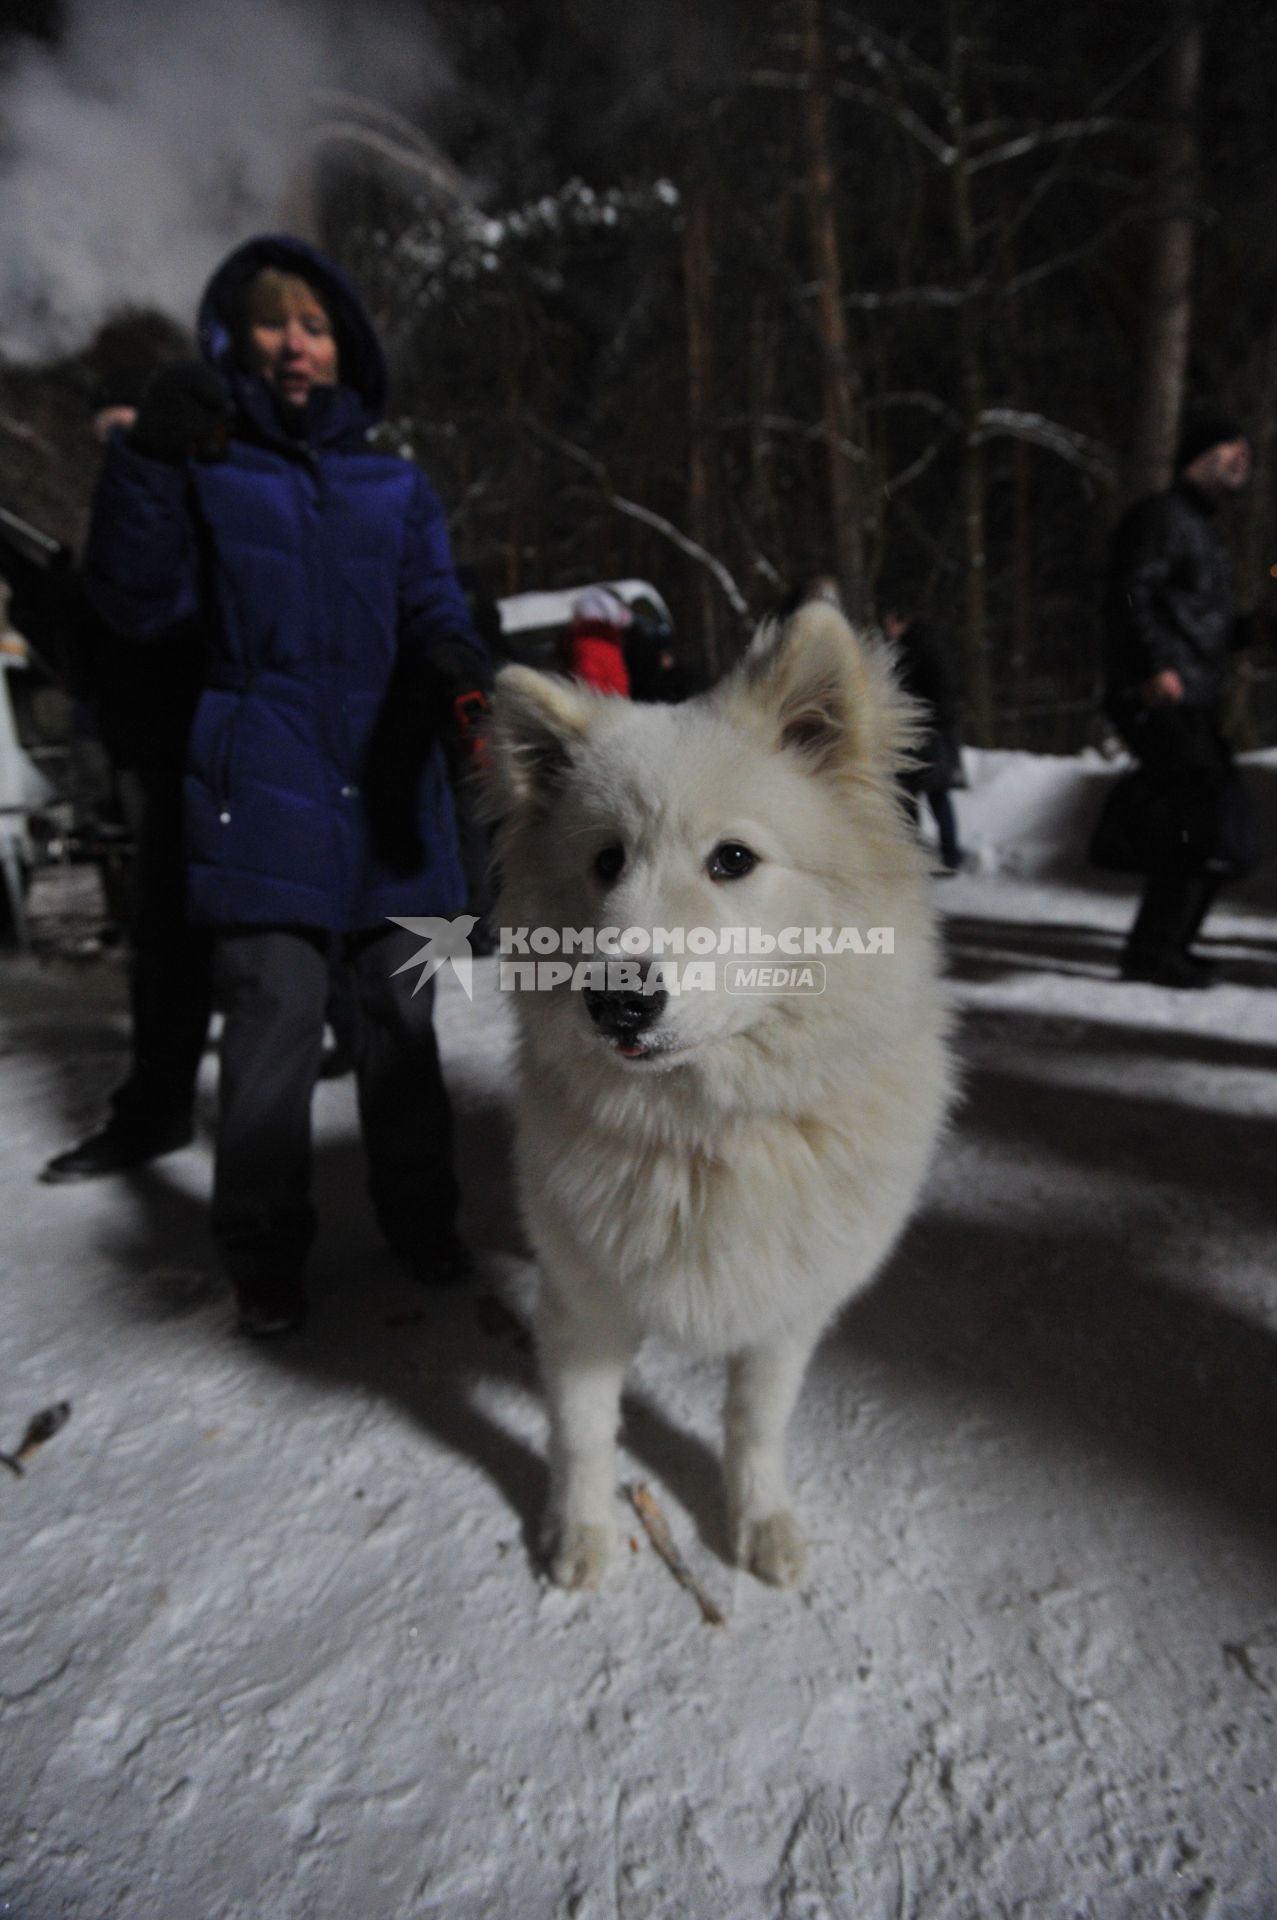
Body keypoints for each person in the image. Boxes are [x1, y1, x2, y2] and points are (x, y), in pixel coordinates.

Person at [78, 235, 491, 1333]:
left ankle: (423, 1221)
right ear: (233, 339)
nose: (294, 343)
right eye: (272, 321)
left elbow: (434, 609)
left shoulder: (397, 486)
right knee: (272, 1022)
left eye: (314, 325)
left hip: (392, 789)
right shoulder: (207, 474)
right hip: (258, 779)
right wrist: (148, 464)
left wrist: (458, 672)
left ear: (343, 346)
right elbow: (131, 602)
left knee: (406, 1023)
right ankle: (262, 1251)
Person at [1101, 410, 1257, 987]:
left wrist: (1257, 627)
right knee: (1199, 815)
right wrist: (1154, 667)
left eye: (1247, 451)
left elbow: (1200, 628)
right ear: (1200, 454)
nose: (1243, 459)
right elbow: (1129, 593)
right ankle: (1153, 952)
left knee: (1213, 820)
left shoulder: (1200, 530)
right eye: (1230, 449)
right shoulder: (1161, 518)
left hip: (1190, 695)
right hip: (1158, 693)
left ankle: (1168, 946)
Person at [881, 607, 964, 873]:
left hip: (921, 737)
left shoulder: (912, 648)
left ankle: (916, 856)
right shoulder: (935, 642)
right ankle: (950, 855)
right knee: (939, 799)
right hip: (940, 735)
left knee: (909, 800)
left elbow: (906, 691)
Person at [565, 586, 631, 695]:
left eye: (576, 615)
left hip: (598, 708)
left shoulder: (585, 645)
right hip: (616, 705)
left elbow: (587, 687)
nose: (571, 620)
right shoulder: (610, 643)